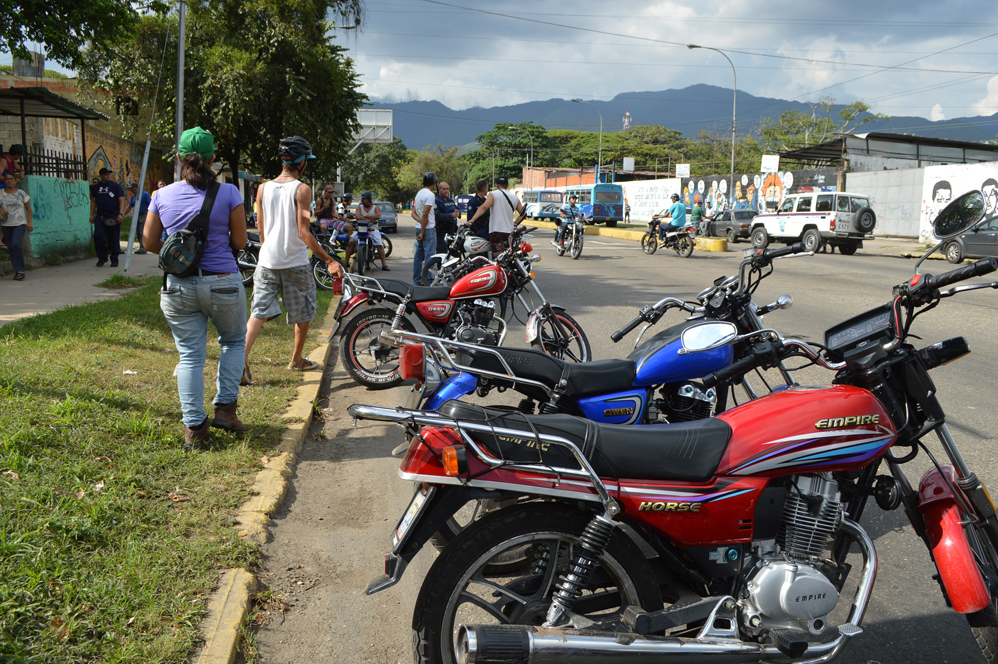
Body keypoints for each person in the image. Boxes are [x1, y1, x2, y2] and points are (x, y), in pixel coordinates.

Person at [142, 127, 249, 451]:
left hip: (179, 286)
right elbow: (241, 241)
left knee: (189, 356)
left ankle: (194, 428)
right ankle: (226, 410)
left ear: (178, 157)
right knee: (232, 342)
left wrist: (180, 254)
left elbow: (148, 241)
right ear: (214, 158)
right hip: (222, 283)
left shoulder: (161, 196)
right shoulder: (228, 192)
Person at [243, 136, 343, 377]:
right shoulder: (302, 189)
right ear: (302, 162)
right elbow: (303, 231)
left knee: (258, 312)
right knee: (304, 311)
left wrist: (269, 250)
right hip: (295, 262)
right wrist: (329, 259)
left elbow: (261, 228)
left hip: (267, 260)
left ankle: (239, 362)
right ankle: (296, 360)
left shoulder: (262, 188)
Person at [466, 176, 525, 255]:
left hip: (497, 231)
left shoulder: (493, 194)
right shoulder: (515, 198)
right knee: (507, 255)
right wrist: (514, 224)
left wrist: (472, 219)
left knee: (497, 256)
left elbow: (484, 207)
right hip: (509, 232)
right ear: (507, 186)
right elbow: (523, 214)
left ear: (496, 185)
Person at [90, 167, 126, 267]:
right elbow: (93, 201)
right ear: (101, 176)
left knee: (114, 239)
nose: (108, 176)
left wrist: (120, 214)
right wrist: (91, 215)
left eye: (109, 174)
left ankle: (114, 259)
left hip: (113, 217)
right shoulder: (96, 187)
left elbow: (121, 200)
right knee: (98, 236)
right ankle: (102, 257)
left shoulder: (115, 186)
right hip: (101, 217)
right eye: (106, 174)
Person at [1, 171, 32, 280]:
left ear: (15, 181)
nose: (9, 181)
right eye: (7, 179)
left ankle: (21, 270)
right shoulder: (0, 193)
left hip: (20, 223)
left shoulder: (21, 193)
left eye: (11, 179)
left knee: (16, 244)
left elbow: (28, 208)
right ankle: (17, 270)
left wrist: (30, 222)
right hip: (5, 224)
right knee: (11, 247)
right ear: (4, 181)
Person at [352, 191, 390, 271]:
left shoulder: (376, 208)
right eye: (362, 199)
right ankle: (345, 263)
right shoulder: (359, 207)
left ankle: (384, 264)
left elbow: (378, 216)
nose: (362, 200)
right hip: (361, 228)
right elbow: (358, 216)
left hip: (372, 229)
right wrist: (370, 218)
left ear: (369, 199)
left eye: (364, 199)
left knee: (379, 244)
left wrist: (365, 216)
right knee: (351, 241)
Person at [411, 172, 438, 285]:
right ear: (434, 183)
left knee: (418, 256)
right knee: (429, 256)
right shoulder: (430, 195)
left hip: (419, 227)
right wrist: (422, 231)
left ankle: (417, 280)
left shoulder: (419, 194)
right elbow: (425, 215)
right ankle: (428, 280)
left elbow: (413, 213)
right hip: (428, 229)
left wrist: (420, 222)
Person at [124, 183, 152, 254]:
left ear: (136, 187)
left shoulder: (145, 194)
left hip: (144, 214)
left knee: (142, 232)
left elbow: (151, 204)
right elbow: (129, 207)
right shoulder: (134, 197)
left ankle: (144, 248)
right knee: (138, 232)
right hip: (137, 216)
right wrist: (123, 214)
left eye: (131, 188)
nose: (130, 190)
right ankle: (141, 247)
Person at [434, 181, 460, 251]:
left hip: (452, 230)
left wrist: (457, 212)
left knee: (454, 250)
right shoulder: (437, 201)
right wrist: (451, 215)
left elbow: (456, 209)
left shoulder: (451, 200)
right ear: (439, 190)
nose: (446, 191)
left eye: (447, 189)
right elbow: (437, 215)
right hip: (442, 230)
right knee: (442, 251)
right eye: (444, 189)